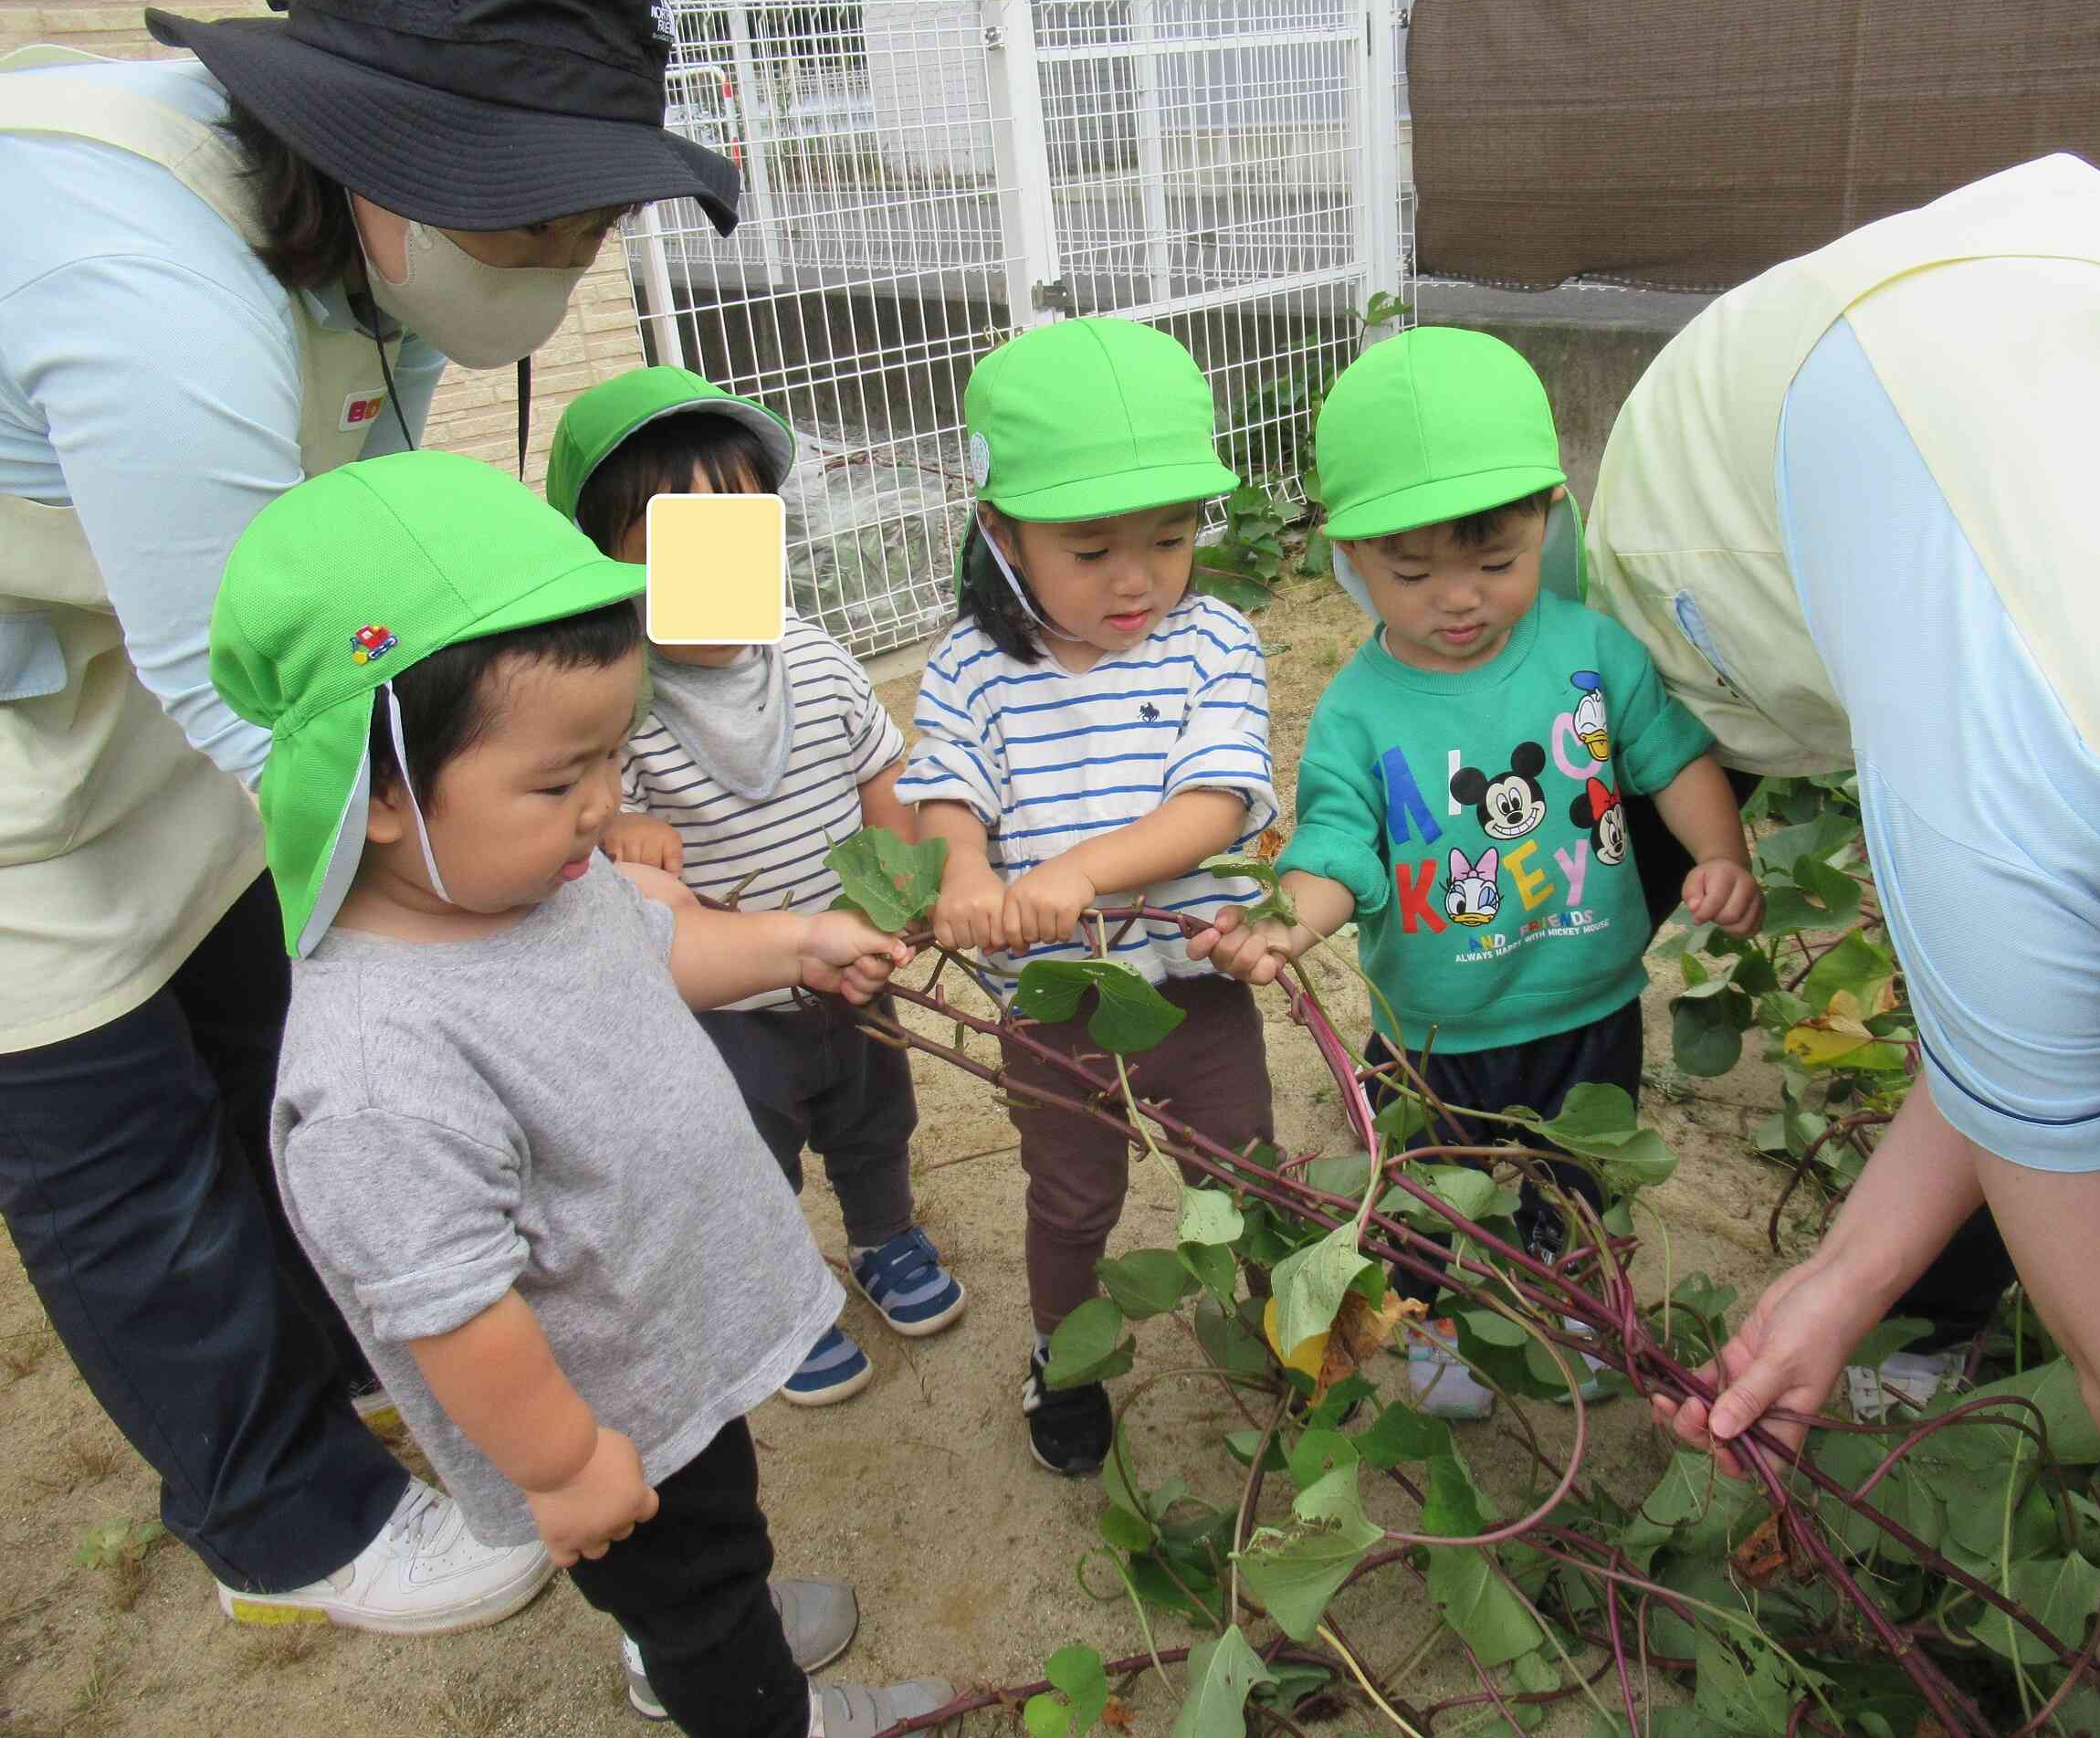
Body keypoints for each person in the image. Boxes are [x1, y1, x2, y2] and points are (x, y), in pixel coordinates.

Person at [0, 0, 749, 1631]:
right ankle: (285, 1515)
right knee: (108, 1110)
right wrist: (548, 889)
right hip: (55, 715)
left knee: (256, 1000)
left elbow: (356, 621)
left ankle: (371, 1334)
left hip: (141, 674)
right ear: (378, 147)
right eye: (532, 227)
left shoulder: (366, 268)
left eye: (584, 232)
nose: (561, 271)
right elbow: (264, 704)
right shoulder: (146, 288)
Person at [1578, 153, 2100, 1735]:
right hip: (1722, 505)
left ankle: (1909, 1291)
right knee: (1648, 846)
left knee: (2054, 982)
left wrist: (1846, 1266)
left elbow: (2067, 994)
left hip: (2065, 304)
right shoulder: (2018, 793)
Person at [207, 448, 955, 1737]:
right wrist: (561, 1464)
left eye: (612, 756)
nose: (605, 803)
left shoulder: (524, 884)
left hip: (670, 1342)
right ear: (379, 791)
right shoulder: (382, 1069)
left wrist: (790, 944)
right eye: (563, 781)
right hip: (599, 1412)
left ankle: (712, 1640)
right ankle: (760, 1706)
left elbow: (656, 946)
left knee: (720, 1532)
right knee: (696, 1587)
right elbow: (449, 1305)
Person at [1188, 329, 1762, 1417]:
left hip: (1591, 1004)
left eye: (1494, 562)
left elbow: (1670, 756)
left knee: (1580, 1186)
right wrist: (1287, 924)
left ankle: (1582, 1315)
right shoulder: (1360, 709)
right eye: (1411, 573)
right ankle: (1441, 1330)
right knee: (1423, 1204)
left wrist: (1721, 853)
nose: (1459, 599)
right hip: (1434, 1035)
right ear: (1350, 558)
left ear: (1547, 516)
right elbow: (1339, 846)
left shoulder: (1591, 650)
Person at [897, 318, 1280, 1475]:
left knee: (1246, 1172)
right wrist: (964, 870)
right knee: (1071, 1201)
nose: (1139, 578)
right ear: (1000, 533)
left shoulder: (1215, 640)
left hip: (1191, 990)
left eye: (1170, 539)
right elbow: (948, 794)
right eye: (1092, 545)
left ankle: (1282, 1324)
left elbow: (1215, 805)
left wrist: (1069, 874)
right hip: (1053, 1008)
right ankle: (1064, 1357)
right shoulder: (968, 668)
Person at [546, 365, 966, 1409]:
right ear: (601, 565)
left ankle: (885, 1237)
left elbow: (884, 772)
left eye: (740, 530)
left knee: (875, 1119)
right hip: (722, 1009)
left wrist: (893, 895)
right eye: (676, 545)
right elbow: (571, 842)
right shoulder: (614, 708)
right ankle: (787, 1295)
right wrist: (617, 827)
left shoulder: (816, 658)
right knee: (745, 1157)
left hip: (850, 969)